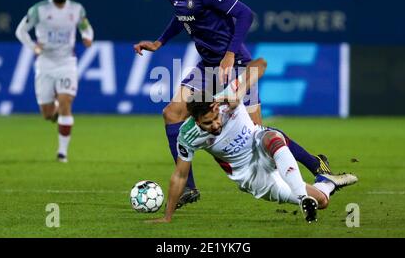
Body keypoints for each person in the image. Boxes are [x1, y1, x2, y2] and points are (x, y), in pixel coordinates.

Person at [134, 0, 332, 208]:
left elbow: (245, 14)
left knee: (258, 135)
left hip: (235, 63)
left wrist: (229, 54)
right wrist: (159, 43)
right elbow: (180, 18)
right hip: (207, 66)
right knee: (172, 113)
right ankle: (189, 188)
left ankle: (315, 164)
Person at [149, 59, 358, 223]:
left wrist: (239, 92)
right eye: (207, 124)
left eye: (214, 118)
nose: (214, 125)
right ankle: (326, 184)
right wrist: (167, 217)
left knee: (271, 136)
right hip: (250, 176)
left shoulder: (226, 97)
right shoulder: (187, 136)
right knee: (322, 202)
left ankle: (303, 197)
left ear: (215, 107)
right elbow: (179, 175)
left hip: (259, 144)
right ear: (195, 121)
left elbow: (260, 64)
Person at [15, 0, 94, 163]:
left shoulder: (76, 9)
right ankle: (56, 108)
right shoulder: (39, 10)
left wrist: (88, 37)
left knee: (66, 103)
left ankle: (62, 153)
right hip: (45, 64)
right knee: (48, 114)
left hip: (67, 63)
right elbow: (20, 31)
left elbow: (86, 27)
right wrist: (33, 47)